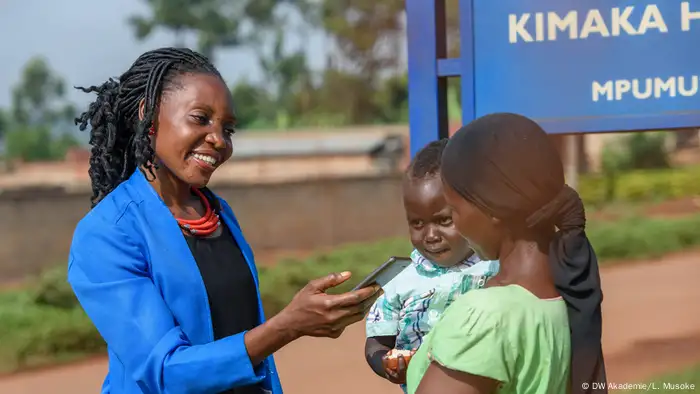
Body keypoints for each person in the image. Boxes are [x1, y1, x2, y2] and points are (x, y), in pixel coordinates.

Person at [67, 47, 381, 394]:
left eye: (227, 128)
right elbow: (165, 372)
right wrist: (287, 326)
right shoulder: (108, 233)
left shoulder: (217, 212)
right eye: (200, 118)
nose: (218, 140)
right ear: (148, 115)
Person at [407, 113, 607, 394]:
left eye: (453, 211)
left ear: (491, 210)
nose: (457, 224)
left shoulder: (485, 317)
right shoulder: (569, 290)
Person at [364, 139, 499, 393]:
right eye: (417, 224)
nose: (430, 235)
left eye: (443, 220)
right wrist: (386, 363)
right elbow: (376, 342)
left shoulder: (494, 267)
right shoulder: (401, 281)